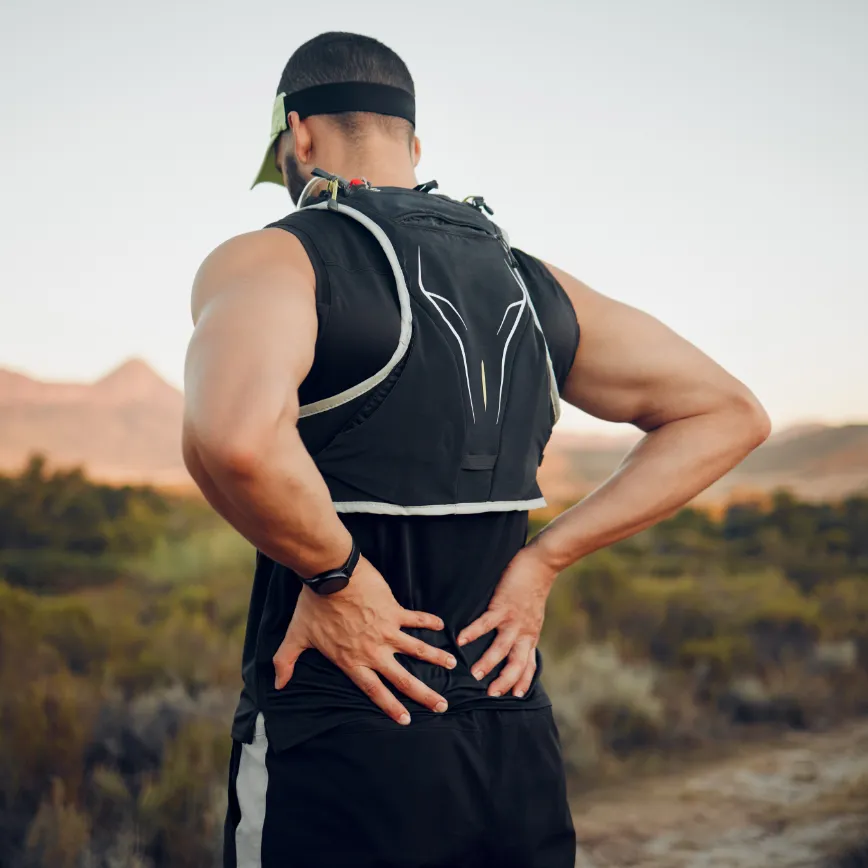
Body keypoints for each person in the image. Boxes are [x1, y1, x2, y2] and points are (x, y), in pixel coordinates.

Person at [182, 31, 771, 868]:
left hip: (345, 715)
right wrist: (544, 561)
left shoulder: (277, 256)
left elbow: (232, 440)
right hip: (510, 718)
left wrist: (338, 578)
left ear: (299, 137)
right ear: (413, 144)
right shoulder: (530, 281)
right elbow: (729, 412)